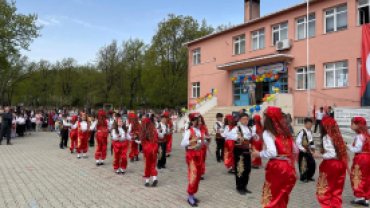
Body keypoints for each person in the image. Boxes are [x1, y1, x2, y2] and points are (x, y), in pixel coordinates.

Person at [251, 106, 298, 207]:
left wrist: (258, 154)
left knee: (272, 196)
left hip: (277, 167)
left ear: (267, 118)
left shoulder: (268, 133)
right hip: (289, 166)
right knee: (283, 195)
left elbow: (272, 152)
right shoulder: (285, 132)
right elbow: (295, 150)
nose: (262, 119)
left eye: (263, 117)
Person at [312, 116, 349, 208]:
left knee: (324, 191)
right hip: (340, 164)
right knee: (336, 191)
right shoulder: (337, 136)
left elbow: (331, 154)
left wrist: (319, 155)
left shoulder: (327, 137)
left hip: (331, 165)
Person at [181, 113, 208, 207]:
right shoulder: (189, 131)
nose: (201, 122)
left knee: (199, 174)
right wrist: (192, 141)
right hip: (191, 155)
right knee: (194, 174)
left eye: (201, 120)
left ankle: (193, 193)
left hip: (200, 153)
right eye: (199, 120)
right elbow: (182, 143)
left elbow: (204, 143)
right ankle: (190, 196)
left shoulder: (201, 131)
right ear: (193, 121)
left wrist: (207, 140)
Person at [224, 113, 253, 195]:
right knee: (240, 169)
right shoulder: (236, 128)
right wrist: (237, 137)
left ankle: (244, 186)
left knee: (247, 169)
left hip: (247, 150)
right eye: (243, 119)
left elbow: (254, 137)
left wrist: (255, 137)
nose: (245, 121)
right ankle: (239, 187)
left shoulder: (250, 128)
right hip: (239, 150)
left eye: (246, 119)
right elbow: (229, 136)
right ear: (240, 120)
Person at [347, 117, 370, 206]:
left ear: (358, 125)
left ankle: (359, 197)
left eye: (352, 124)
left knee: (357, 176)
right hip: (368, 157)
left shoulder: (359, 136)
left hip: (361, 158)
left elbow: (357, 149)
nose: (351, 125)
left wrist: (348, 147)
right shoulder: (367, 135)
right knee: (367, 177)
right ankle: (366, 198)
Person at [296, 118, 316, 182]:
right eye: (309, 124)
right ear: (305, 124)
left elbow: (311, 141)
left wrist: (313, 147)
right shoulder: (302, 132)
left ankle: (309, 176)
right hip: (303, 151)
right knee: (303, 164)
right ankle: (303, 177)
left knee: (312, 163)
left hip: (308, 150)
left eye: (311, 124)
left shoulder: (310, 132)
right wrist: (302, 149)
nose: (311, 126)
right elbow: (297, 142)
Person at [140, 118, 159, 187]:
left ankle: (147, 181)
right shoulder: (154, 130)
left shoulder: (143, 131)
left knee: (147, 164)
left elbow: (141, 141)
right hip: (154, 148)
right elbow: (157, 137)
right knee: (153, 163)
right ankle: (154, 179)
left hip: (147, 148)